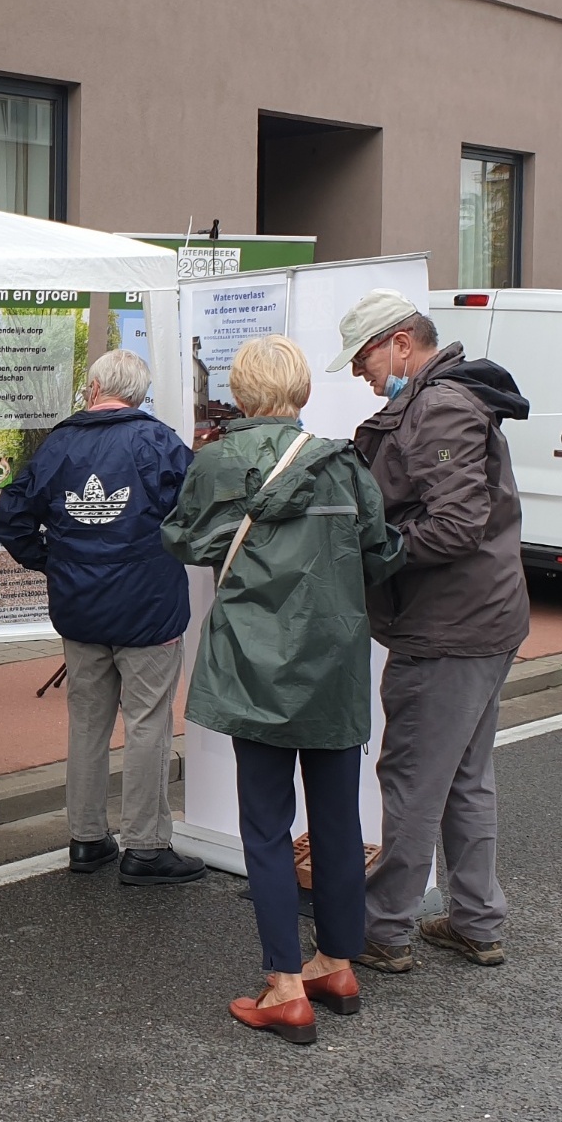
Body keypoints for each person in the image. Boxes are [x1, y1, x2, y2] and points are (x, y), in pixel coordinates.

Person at [162, 335, 403, 1043]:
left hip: (254, 664)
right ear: (300, 390)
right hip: (333, 662)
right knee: (336, 823)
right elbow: (381, 553)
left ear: (240, 393)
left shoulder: (217, 460)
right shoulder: (343, 461)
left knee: (265, 828)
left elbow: (183, 539)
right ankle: (336, 961)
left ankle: (284, 984)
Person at [327, 289, 530, 973]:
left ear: (401, 343)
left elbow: (454, 524)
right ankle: (476, 918)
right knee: (465, 775)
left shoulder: (438, 405)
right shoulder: (446, 398)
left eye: (363, 358)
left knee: (413, 776)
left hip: (446, 626)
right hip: (482, 617)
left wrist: (377, 548)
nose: (362, 372)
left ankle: (383, 928)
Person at [0, 350, 203, 885]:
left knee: (87, 723)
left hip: (80, 608)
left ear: (92, 388)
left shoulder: (60, 443)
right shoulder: (158, 442)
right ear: (138, 393)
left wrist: (54, 561)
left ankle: (86, 838)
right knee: (148, 723)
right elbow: (198, 513)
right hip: (148, 610)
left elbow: (10, 517)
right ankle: (147, 847)